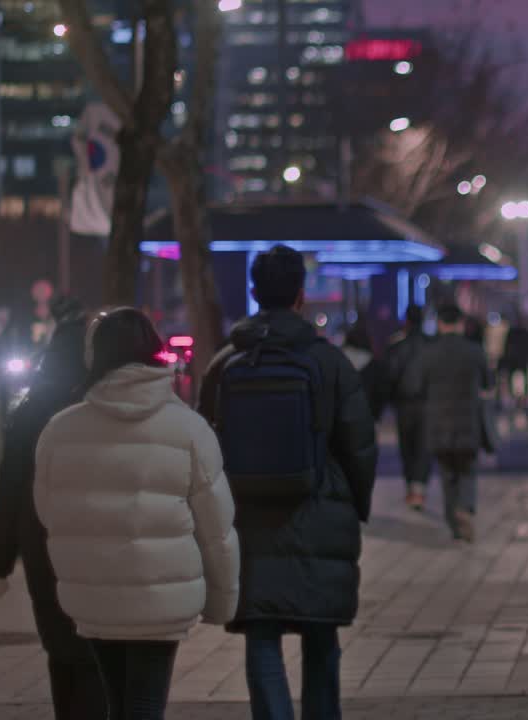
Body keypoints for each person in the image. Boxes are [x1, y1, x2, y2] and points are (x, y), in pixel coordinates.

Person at [199, 245, 378, 720]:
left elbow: (205, 446)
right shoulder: (331, 363)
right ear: (302, 296)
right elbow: (359, 445)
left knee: (262, 638)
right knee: (321, 637)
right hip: (320, 513)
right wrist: (354, 505)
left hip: (250, 518)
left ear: (255, 293)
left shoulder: (224, 365)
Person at [33, 308, 240, 719]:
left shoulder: (60, 429)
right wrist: (222, 601)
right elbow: (216, 526)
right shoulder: (189, 428)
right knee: (145, 701)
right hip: (162, 593)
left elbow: (47, 511)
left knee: (116, 699)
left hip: (91, 591)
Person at [0, 299, 107, 720]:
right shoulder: (100, 405)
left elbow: (10, 485)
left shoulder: (30, 410)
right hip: (93, 543)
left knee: (59, 645)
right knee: (92, 648)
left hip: (41, 541)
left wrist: (0, 561)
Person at [404, 304, 494, 543]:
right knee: (467, 468)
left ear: (440, 324)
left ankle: (454, 523)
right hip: (468, 421)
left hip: (438, 422)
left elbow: (414, 386)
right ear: (460, 324)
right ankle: (465, 507)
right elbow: (488, 382)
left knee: (447, 472)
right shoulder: (475, 351)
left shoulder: (428, 352)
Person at [382, 305, 432, 511]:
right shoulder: (432, 345)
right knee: (423, 445)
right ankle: (419, 488)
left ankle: (411, 486)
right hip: (427, 402)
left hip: (403, 403)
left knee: (407, 444)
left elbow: (389, 376)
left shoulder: (396, 346)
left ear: (407, 321)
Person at [341, 318, 386, 420]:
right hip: (367, 416)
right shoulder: (373, 365)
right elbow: (380, 392)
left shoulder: (339, 362)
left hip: (343, 418)